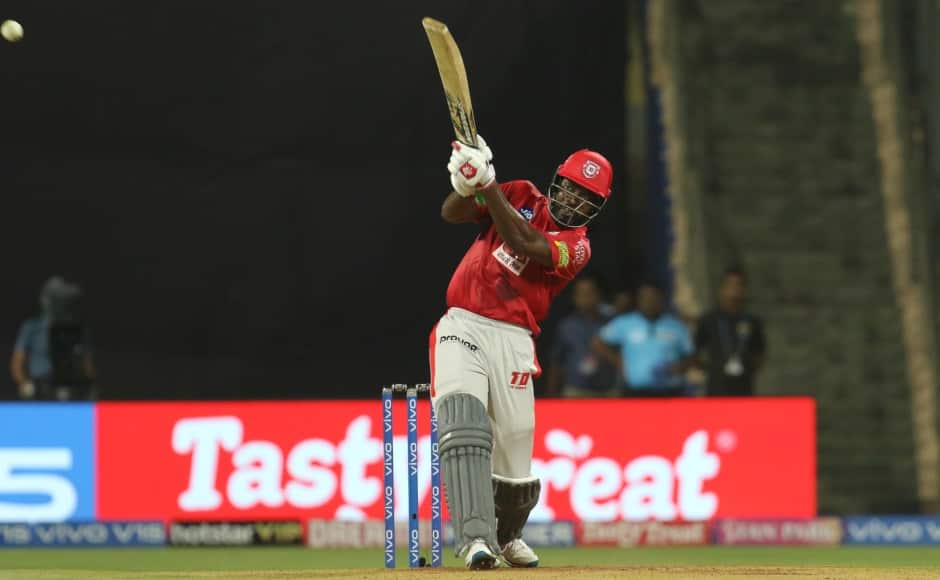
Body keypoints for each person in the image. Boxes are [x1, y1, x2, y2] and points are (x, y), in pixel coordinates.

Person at [430, 135, 613, 568]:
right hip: (463, 322)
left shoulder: (579, 246)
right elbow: (451, 214)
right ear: (556, 182)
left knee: (514, 450)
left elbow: (527, 243)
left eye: (586, 198)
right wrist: (464, 184)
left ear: (596, 209)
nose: (573, 200)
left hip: (514, 338)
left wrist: (487, 185)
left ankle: (508, 535)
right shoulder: (520, 193)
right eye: (569, 187)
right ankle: (476, 540)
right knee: (465, 423)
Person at [592, 281, 693, 397]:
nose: (649, 302)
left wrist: (679, 367)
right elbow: (597, 342)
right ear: (638, 300)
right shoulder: (624, 323)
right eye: (645, 298)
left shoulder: (676, 326)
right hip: (635, 392)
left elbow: (690, 356)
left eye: (653, 297)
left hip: (670, 392)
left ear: (662, 299)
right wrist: (619, 362)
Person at [10, 276, 96, 401]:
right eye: (55, 298)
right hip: (38, 387)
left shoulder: (76, 329)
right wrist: (23, 382)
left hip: (67, 388)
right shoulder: (31, 327)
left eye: (62, 299)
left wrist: (91, 385)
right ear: (46, 300)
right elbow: (17, 360)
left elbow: (87, 362)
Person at [691, 267, 766, 396]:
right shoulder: (709, 320)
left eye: (739, 285)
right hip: (716, 390)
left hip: (744, 389)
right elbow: (693, 351)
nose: (734, 290)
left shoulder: (752, 321)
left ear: (745, 290)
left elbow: (760, 354)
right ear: (722, 289)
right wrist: (711, 368)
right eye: (730, 285)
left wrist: (747, 367)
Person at [546, 276, 621, 397]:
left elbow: (624, 359)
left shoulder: (613, 323)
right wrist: (552, 392)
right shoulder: (566, 326)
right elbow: (556, 362)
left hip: (607, 392)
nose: (586, 298)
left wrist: (605, 351)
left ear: (599, 295)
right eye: (581, 293)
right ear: (575, 297)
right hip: (575, 391)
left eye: (590, 292)